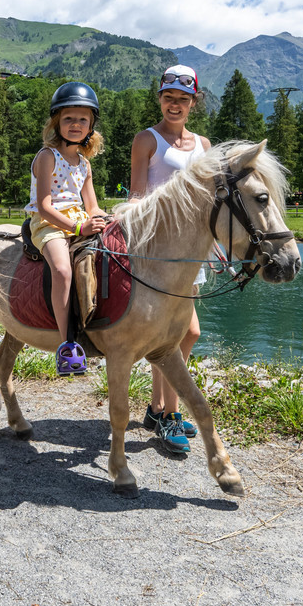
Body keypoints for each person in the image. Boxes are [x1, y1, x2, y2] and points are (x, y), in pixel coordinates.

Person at [128, 63, 211, 457]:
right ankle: (169, 415)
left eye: (182, 99)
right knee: (180, 335)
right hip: (156, 250)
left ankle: (157, 408)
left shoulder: (203, 146)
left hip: (190, 252)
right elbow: (136, 196)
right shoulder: (147, 139)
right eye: (168, 98)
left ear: (193, 102)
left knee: (181, 334)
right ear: (160, 99)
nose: (174, 105)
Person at [25, 82, 109, 376]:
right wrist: (77, 226)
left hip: (79, 221)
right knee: (62, 269)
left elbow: (93, 205)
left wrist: (108, 220)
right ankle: (67, 344)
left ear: (91, 126)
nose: (76, 125)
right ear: (56, 122)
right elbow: (44, 206)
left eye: (82, 119)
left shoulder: (84, 164)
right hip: (49, 223)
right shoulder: (48, 156)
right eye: (69, 119)